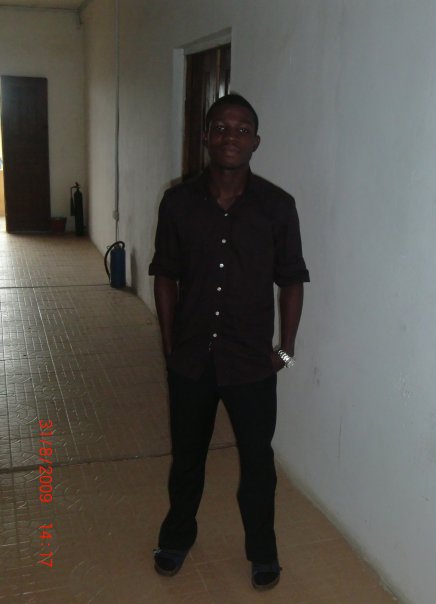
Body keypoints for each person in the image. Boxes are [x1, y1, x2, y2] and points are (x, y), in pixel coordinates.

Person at [148, 93, 309, 591]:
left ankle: (262, 551)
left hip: (251, 364)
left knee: (258, 464)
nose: (230, 137)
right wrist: (170, 345)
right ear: (206, 136)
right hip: (191, 360)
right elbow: (165, 274)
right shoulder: (178, 203)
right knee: (187, 458)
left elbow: (292, 280)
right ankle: (177, 536)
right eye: (221, 127)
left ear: (256, 141)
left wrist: (285, 350)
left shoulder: (277, 207)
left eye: (242, 129)